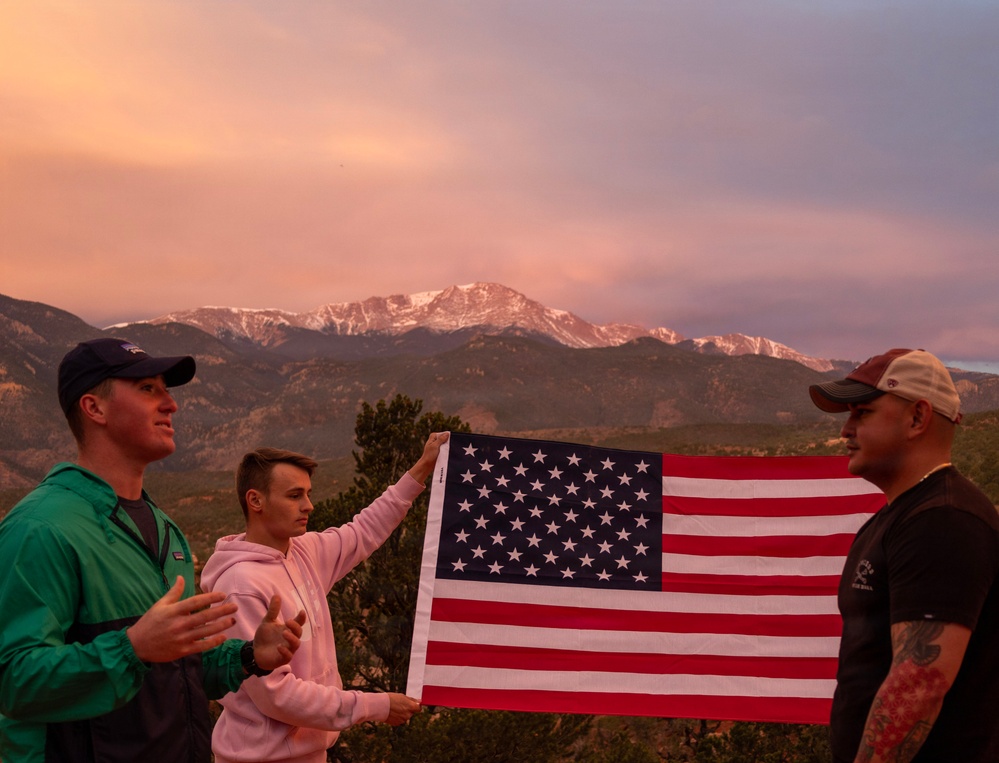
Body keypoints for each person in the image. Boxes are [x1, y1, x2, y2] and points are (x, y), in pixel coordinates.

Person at [0, 338, 307, 763]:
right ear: (95, 408)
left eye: (166, 389)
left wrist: (249, 656)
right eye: (148, 389)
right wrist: (132, 648)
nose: (171, 404)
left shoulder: (165, 530)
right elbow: (13, 681)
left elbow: (176, 667)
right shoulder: (41, 527)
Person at [200, 434, 448, 763]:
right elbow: (278, 696)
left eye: (308, 494)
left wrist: (421, 469)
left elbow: (365, 530)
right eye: (294, 495)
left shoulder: (304, 551)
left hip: (310, 753)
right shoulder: (240, 585)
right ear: (255, 501)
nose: (309, 505)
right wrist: (375, 706)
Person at [809, 348, 999, 762]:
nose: (846, 430)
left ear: (917, 418)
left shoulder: (944, 520)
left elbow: (919, 684)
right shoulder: (904, 516)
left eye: (862, 413)